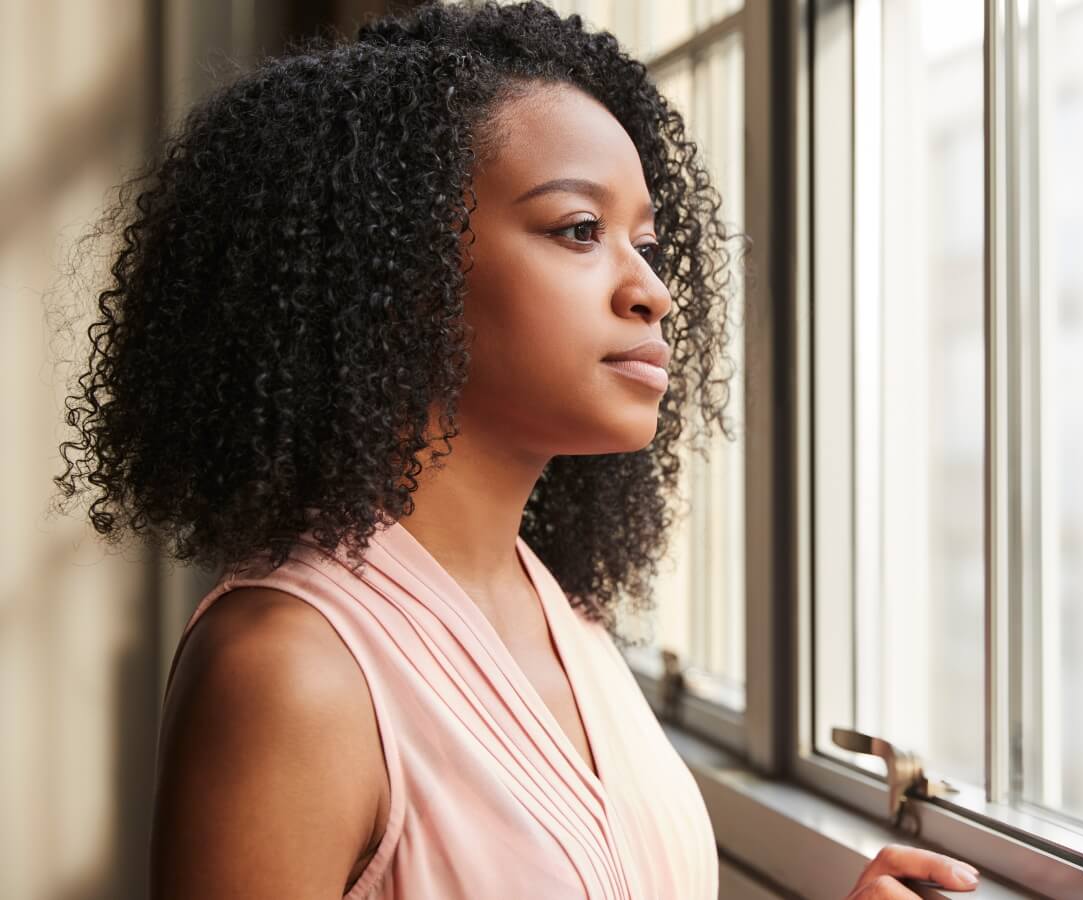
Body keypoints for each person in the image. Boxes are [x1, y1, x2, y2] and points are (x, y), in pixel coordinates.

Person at [55, 2, 983, 897]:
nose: (652, 291)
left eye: (648, 243)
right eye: (580, 230)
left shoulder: (560, 615)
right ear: (403, 272)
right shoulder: (289, 671)